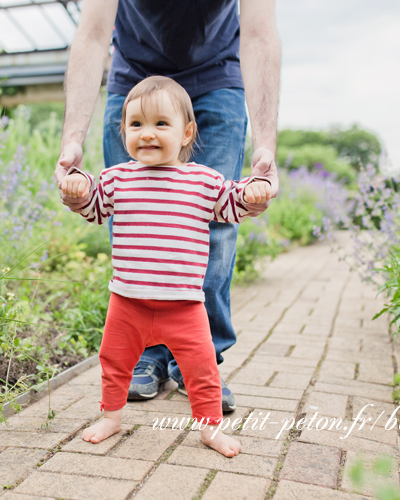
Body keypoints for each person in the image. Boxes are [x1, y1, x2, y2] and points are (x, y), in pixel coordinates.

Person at [55, 0, 281, 413]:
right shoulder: (130, 140)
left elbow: (260, 34)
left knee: (215, 226)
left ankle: (198, 362)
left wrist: (260, 167)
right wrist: (73, 148)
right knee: (133, 210)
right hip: (134, 80)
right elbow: (91, 34)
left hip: (216, 77)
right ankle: (145, 356)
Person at [60, 76, 272, 457]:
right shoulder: (116, 178)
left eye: (161, 123)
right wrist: (75, 188)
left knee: (203, 369)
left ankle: (210, 430)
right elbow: (92, 207)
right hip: (128, 301)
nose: (147, 133)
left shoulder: (203, 181)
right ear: (122, 130)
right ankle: (111, 417)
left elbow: (234, 203)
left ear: (187, 131)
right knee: (114, 360)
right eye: (136, 124)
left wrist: (254, 190)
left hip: (185, 305)